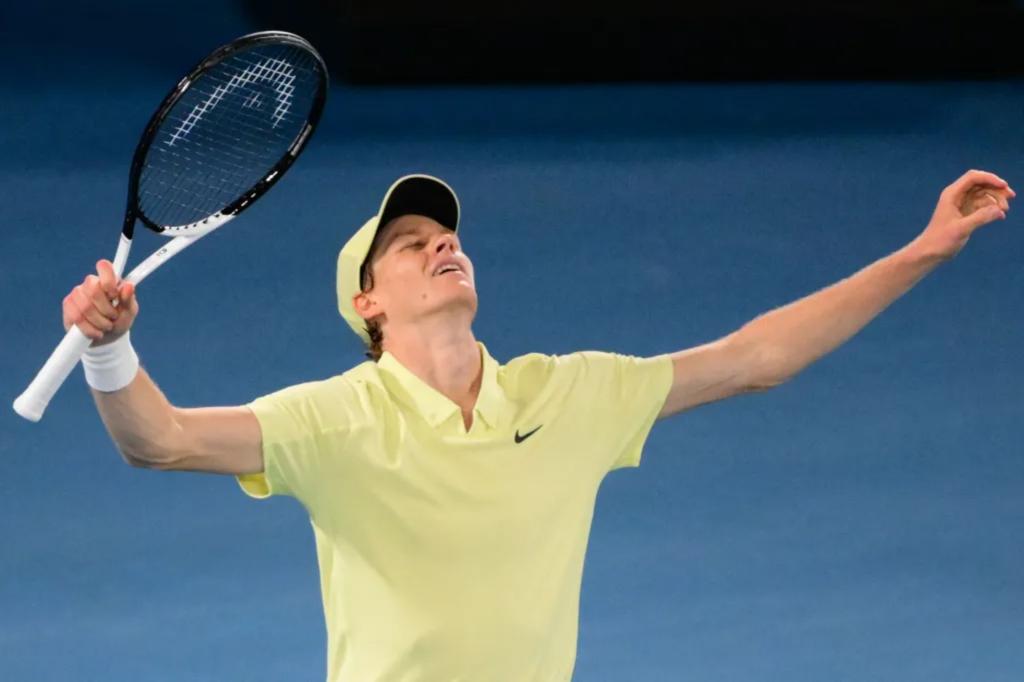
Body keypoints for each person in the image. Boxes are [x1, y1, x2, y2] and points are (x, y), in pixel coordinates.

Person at [64, 170, 1014, 681]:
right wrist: (108, 354)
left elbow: (758, 356)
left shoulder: (566, 395)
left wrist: (925, 250)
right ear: (369, 305)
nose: (443, 244)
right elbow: (163, 439)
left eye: (447, 236)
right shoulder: (334, 420)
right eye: (409, 245)